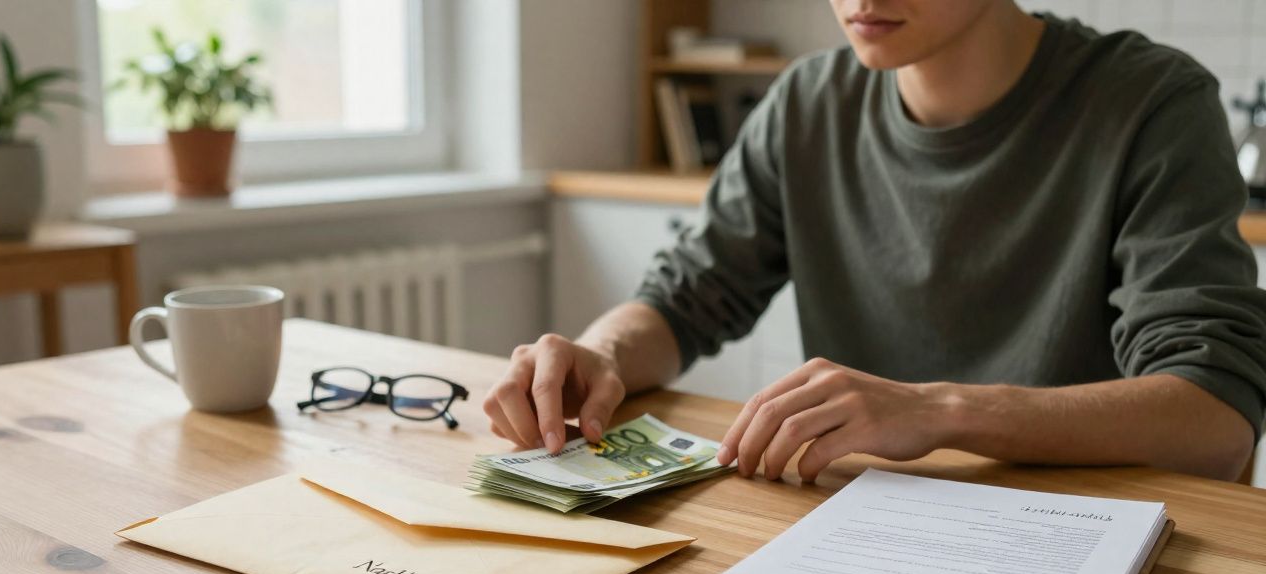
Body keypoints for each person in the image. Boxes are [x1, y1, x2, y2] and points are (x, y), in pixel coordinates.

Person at [484, 0, 1266, 483]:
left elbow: (1214, 417)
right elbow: (687, 298)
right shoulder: (806, 104)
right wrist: (605, 355)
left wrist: (942, 410)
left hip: (1083, 544)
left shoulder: (1154, 104)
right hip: (865, 533)